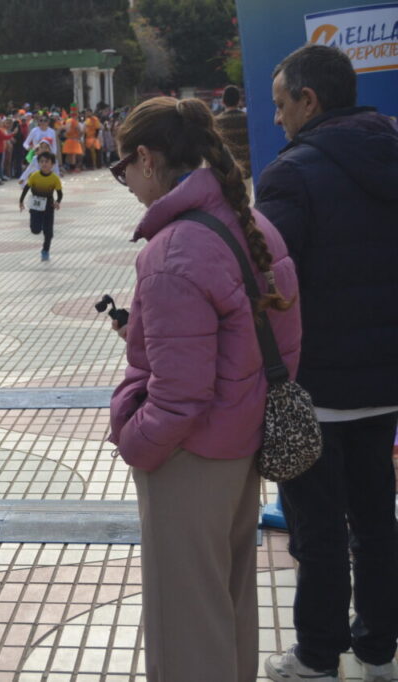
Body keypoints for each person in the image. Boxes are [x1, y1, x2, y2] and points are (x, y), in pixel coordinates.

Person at [108, 96, 301, 682]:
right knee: (228, 599)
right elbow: (279, 338)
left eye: (123, 170)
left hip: (189, 454)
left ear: (146, 157)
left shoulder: (173, 250)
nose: (127, 183)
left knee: (184, 619)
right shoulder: (248, 220)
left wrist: (135, 440)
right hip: (240, 442)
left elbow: (178, 396)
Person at [256, 45, 398, 682]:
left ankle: (316, 657)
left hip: (319, 387)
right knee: (376, 523)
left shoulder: (292, 172)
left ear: (308, 100)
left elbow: (269, 286)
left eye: (282, 103)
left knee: (317, 533)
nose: (279, 117)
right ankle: (378, 652)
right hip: (386, 381)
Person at [18, 151, 63, 262]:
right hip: (35, 206)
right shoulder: (34, 176)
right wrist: (21, 201)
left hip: (49, 206)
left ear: (52, 164)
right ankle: (40, 225)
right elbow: (26, 188)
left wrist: (57, 201)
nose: (44, 164)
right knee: (35, 230)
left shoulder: (54, 178)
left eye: (47, 162)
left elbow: (60, 193)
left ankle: (45, 251)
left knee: (49, 233)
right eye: (41, 161)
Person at [216, 85, 251, 181]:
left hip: (226, 173)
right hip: (247, 170)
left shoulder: (216, 122)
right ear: (239, 101)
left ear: (223, 102)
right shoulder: (248, 119)